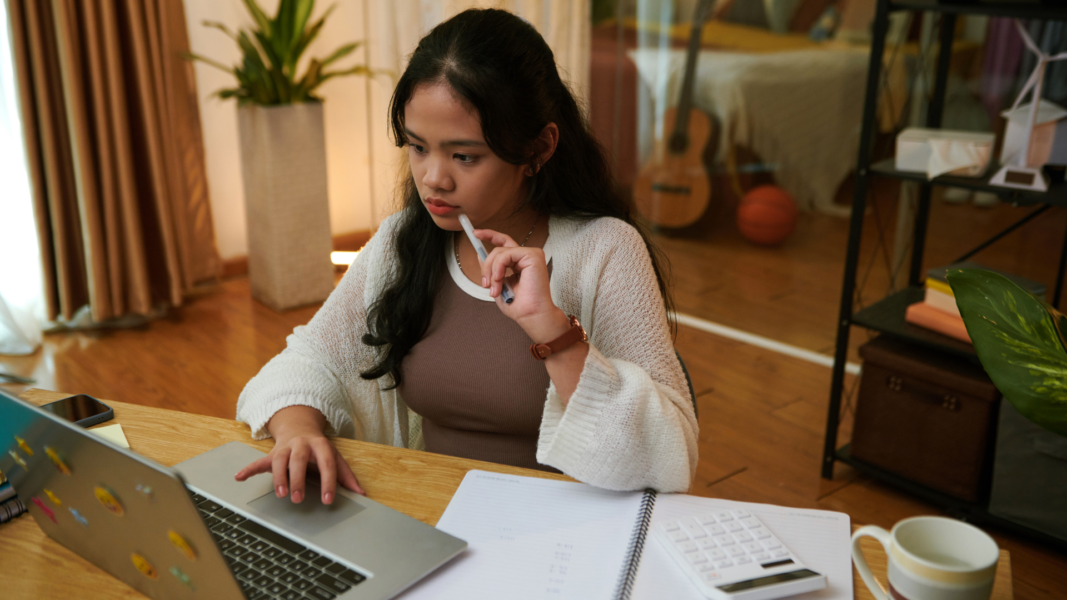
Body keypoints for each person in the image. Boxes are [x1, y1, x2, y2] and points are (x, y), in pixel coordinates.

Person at [234, 8, 698, 505]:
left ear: (539, 148)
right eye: (417, 147)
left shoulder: (606, 250)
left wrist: (552, 330)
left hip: (561, 541)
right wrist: (297, 429)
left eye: (464, 156)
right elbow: (309, 359)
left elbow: (670, 453)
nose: (434, 178)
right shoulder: (403, 242)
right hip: (429, 520)